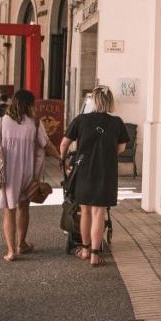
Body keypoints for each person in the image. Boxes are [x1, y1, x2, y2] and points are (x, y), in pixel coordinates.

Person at [58, 85, 128, 267]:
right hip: (106, 172)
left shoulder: (81, 120)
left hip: (84, 172)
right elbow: (121, 148)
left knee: (86, 212)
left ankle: (85, 249)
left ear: (93, 101)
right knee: (99, 212)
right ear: (109, 101)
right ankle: (96, 255)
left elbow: (64, 144)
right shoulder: (117, 122)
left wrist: (63, 160)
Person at [0, 88, 49, 262]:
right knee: (23, 207)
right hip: (27, 172)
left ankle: (11, 251)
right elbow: (46, 145)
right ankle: (22, 243)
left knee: (8, 210)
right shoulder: (34, 123)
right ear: (29, 105)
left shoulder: (1, 123)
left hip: (6, 174)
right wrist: (61, 158)